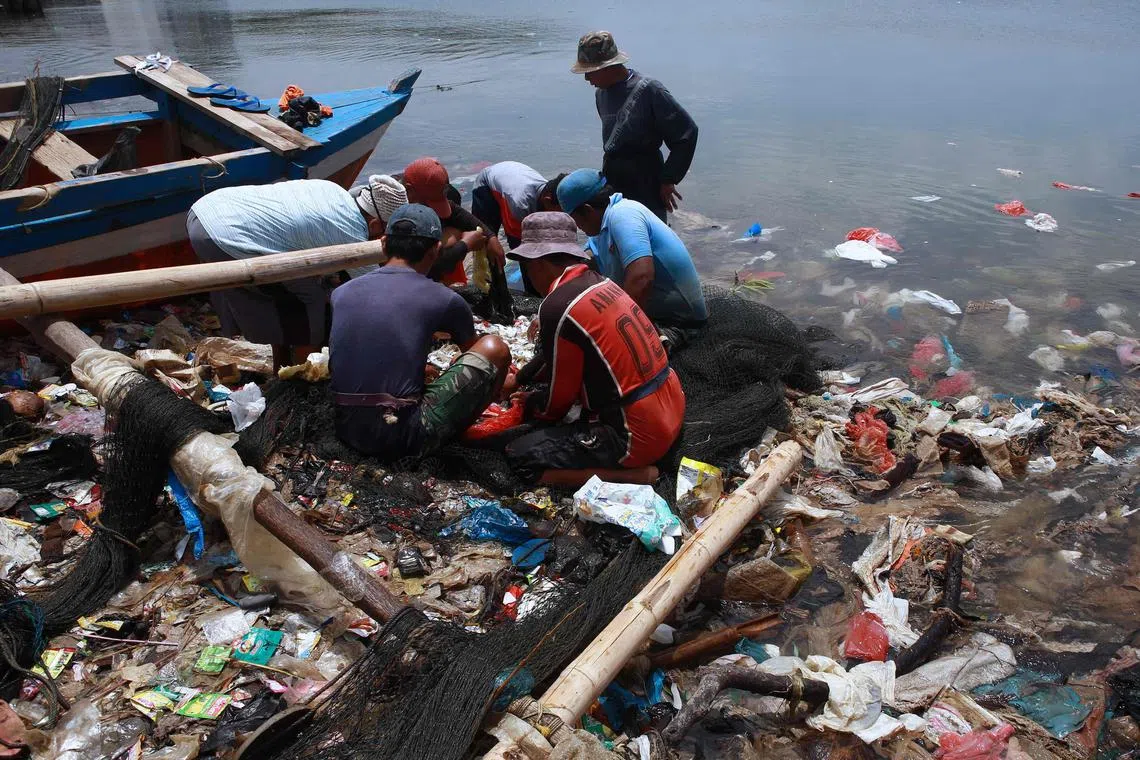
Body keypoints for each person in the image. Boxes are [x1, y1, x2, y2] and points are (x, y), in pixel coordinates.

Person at [503, 212, 685, 487]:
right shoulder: (603, 282)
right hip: (672, 405)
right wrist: (521, 378)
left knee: (520, 456)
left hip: (637, 437)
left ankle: (633, 476)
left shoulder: (557, 305)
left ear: (537, 263)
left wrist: (526, 404)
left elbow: (556, 405)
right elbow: (559, 353)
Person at [329, 204, 511, 461]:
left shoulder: (341, 293)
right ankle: (465, 425)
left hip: (346, 428)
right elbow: (473, 352)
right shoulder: (444, 299)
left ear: (383, 244)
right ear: (436, 250)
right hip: (402, 437)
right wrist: (507, 381)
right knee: (495, 349)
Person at [187, 178, 384, 369]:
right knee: (309, 299)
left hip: (203, 211)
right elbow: (371, 291)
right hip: (224, 237)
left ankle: (281, 365)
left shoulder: (336, 191)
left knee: (287, 294)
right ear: (374, 224)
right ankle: (303, 374)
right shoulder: (352, 231)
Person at [557, 169, 707, 341]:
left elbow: (641, 278)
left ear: (587, 210)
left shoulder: (623, 214)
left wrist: (616, 327)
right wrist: (560, 307)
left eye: (575, 219)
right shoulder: (601, 230)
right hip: (654, 317)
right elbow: (582, 265)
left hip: (678, 324)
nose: (577, 227)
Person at [572, 31, 698, 221]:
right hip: (613, 177)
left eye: (589, 72)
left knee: (648, 233)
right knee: (616, 233)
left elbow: (686, 134)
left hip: (646, 177)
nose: (587, 79)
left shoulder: (650, 90)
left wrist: (669, 178)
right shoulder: (601, 94)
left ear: (607, 67)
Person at [400, 157, 505, 285]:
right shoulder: (398, 219)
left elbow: (465, 218)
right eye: (431, 206)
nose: (435, 213)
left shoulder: (429, 197)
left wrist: (491, 237)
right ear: (409, 190)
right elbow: (426, 267)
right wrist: (464, 244)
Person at [470, 161, 565, 248]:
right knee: (486, 240)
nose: (559, 216)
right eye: (559, 212)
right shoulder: (520, 205)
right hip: (486, 185)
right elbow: (517, 242)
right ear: (547, 200)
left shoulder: (550, 191)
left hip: (509, 177)